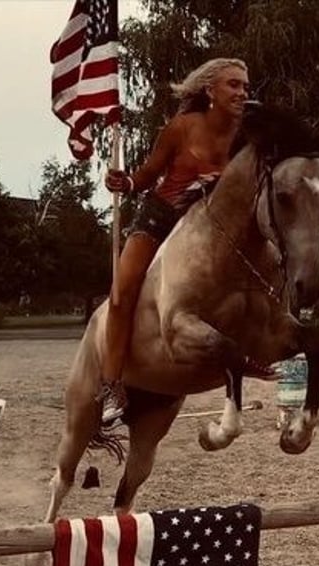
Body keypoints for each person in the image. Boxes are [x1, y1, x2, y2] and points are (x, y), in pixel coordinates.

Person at [100, 57, 275, 425]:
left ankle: (256, 347)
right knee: (122, 292)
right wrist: (126, 183)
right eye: (233, 85)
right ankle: (111, 384)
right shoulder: (182, 127)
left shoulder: (248, 136)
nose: (242, 92)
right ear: (210, 90)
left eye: (245, 86)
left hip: (212, 231)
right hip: (160, 219)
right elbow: (149, 173)